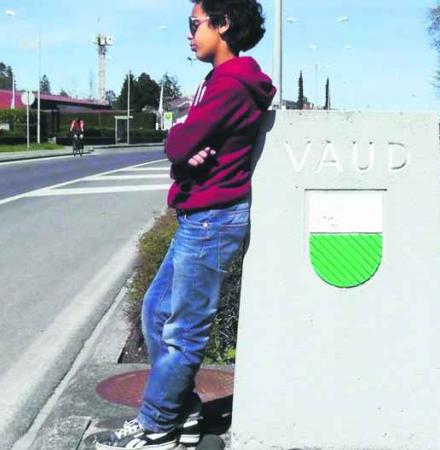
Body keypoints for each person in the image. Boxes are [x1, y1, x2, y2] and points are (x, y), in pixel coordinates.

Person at [95, 0, 275, 449]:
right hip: (200, 214)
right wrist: (183, 150)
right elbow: (184, 148)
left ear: (223, 23)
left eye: (195, 25)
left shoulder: (231, 83)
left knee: (183, 334)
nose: (189, 34)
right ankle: (186, 412)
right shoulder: (219, 81)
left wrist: (181, 144)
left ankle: (157, 429)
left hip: (213, 219)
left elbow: (180, 141)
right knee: (155, 312)